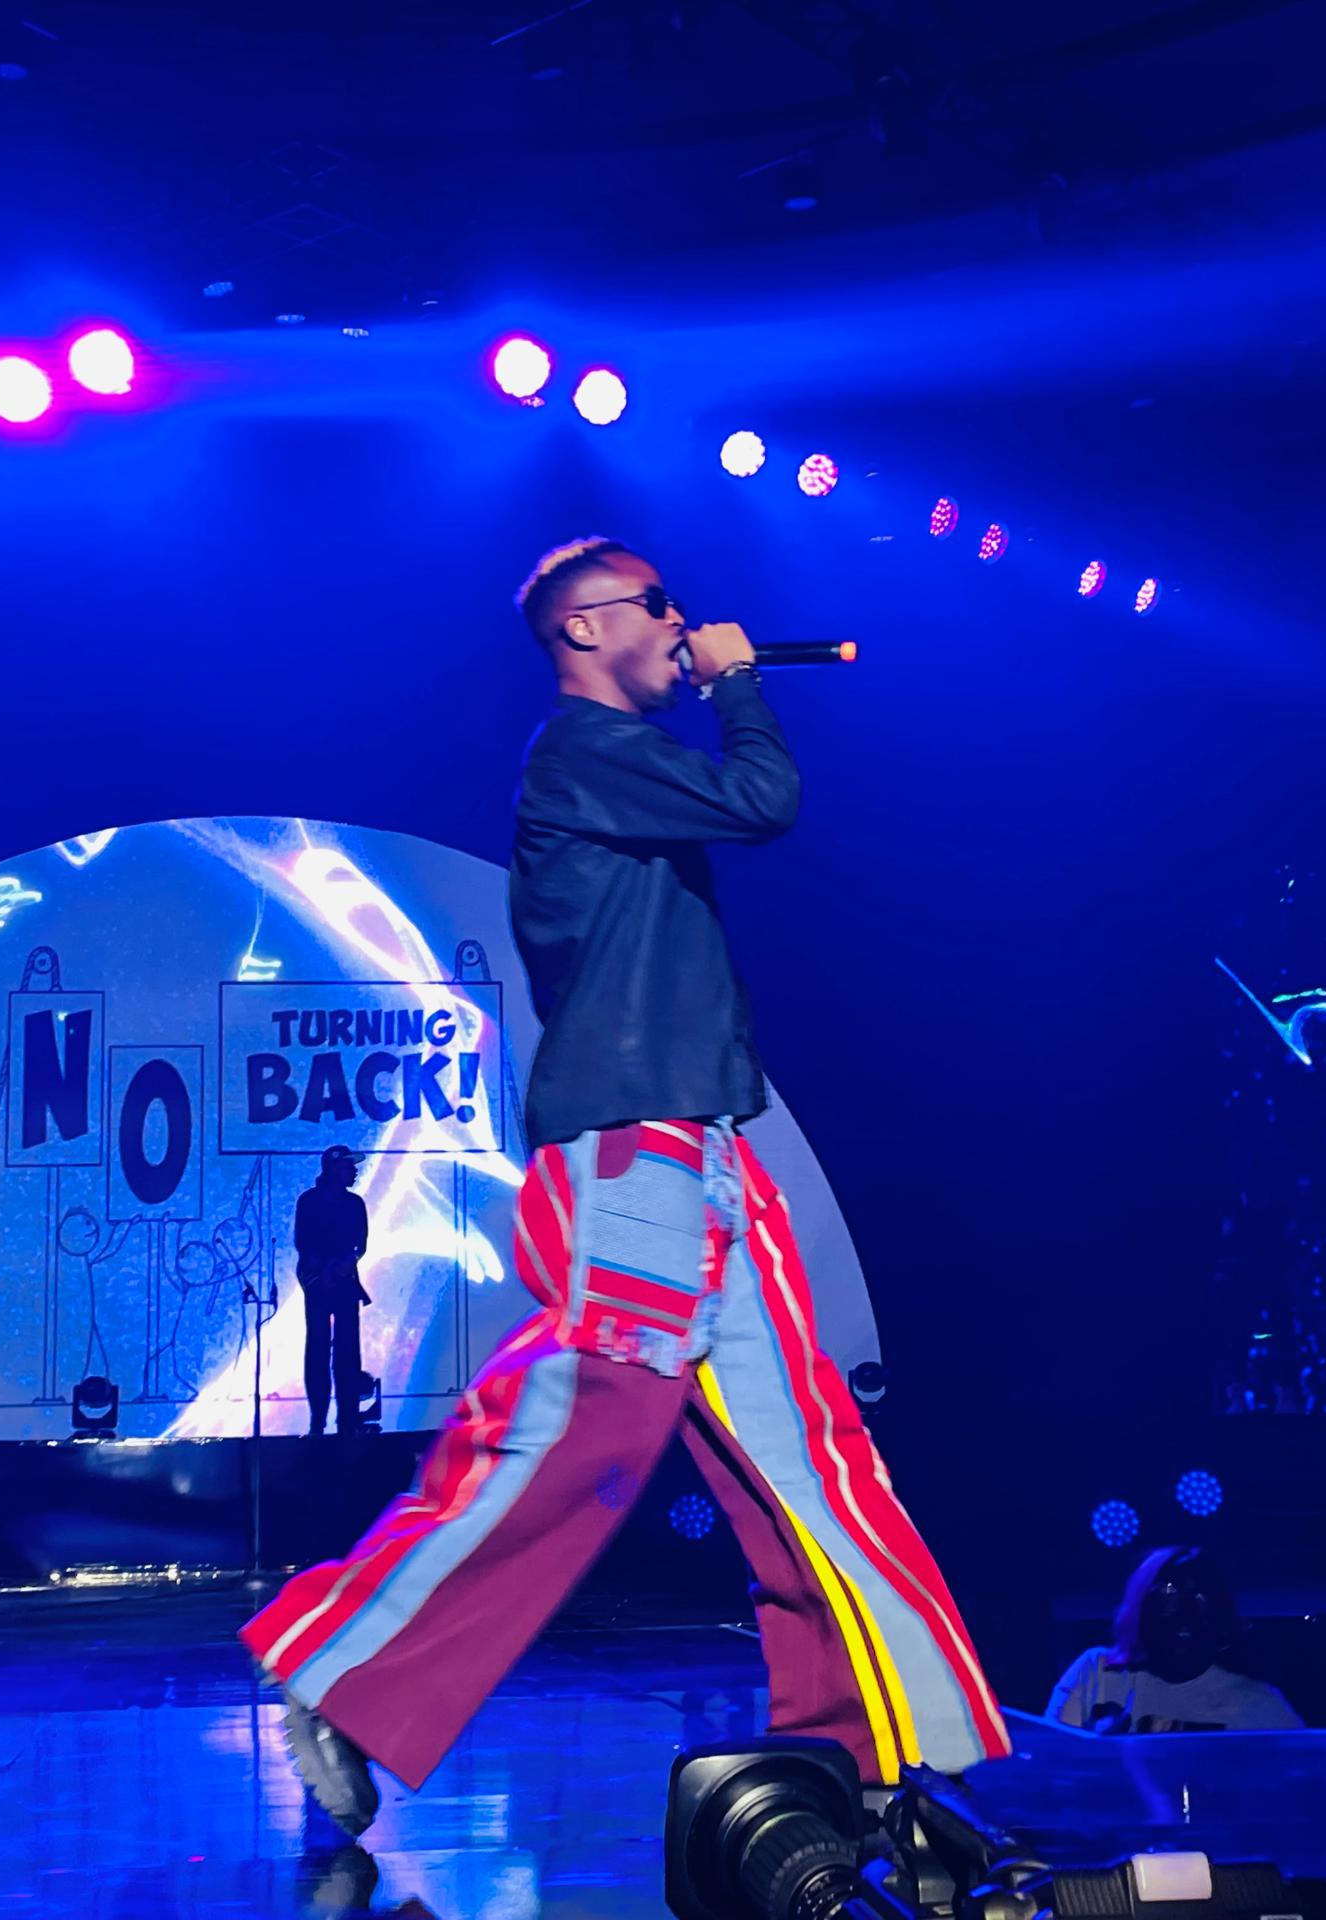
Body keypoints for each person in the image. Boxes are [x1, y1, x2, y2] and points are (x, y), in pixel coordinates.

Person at [244, 538, 1012, 1833]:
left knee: (810, 1456)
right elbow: (764, 799)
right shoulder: (579, 752)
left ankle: (884, 1748)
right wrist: (739, 684)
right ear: (587, 631)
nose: (680, 621)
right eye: (656, 604)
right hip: (629, 1145)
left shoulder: (624, 769)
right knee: (579, 1416)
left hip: (708, 1149)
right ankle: (337, 1665)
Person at [1045, 1546, 1302, 1733]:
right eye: (1167, 1596)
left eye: (1201, 1600)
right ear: (1140, 1609)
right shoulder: (1096, 1673)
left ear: (1220, 1617)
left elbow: (1301, 1780)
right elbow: (1052, 1767)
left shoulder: (1259, 1705)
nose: (1185, 1618)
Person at [296, 1146, 372, 1436]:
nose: (354, 1171)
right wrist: (324, 1270)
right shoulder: (309, 1201)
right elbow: (303, 1242)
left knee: (347, 1350)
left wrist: (345, 1264)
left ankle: (348, 1419)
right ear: (333, 1168)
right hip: (317, 1282)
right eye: (349, 1166)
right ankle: (318, 1420)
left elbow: (360, 1244)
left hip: (344, 1282)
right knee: (317, 1347)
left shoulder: (355, 1203)